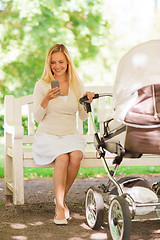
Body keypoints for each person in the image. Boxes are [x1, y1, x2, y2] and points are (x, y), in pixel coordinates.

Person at [32, 44, 95, 225]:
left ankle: (60, 199)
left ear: (68, 62)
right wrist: (46, 99)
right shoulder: (42, 85)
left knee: (75, 155)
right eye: (53, 62)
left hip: (69, 134)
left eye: (61, 61)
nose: (57, 66)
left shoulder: (76, 84)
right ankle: (60, 207)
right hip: (48, 135)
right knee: (62, 157)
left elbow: (83, 117)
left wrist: (87, 102)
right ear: (48, 64)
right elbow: (37, 118)